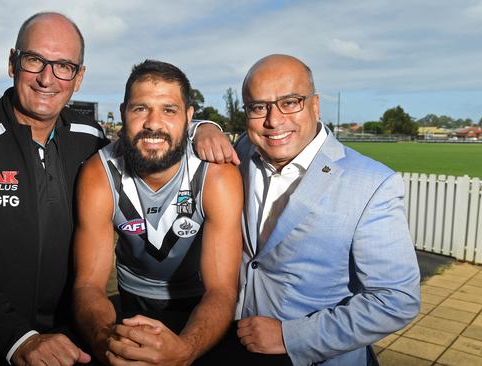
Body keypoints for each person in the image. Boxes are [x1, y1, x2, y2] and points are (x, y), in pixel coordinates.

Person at [199, 54, 421, 365]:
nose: (273, 120)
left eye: (290, 102)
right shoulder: (243, 152)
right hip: (234, 343)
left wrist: (292, 336)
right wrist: (203, 126)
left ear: (315, 105)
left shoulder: (373, 184)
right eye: (258, 107)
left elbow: (395, 300)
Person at [0, 12, 108, 365]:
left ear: (79, 77)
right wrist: (18, 339)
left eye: (64, 66)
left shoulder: (94, 139)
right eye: (34, 60)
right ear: (13, 62)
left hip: (73, 340)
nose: (47, 79)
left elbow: (154, 144)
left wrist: (200, 127)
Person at [73, 60, 243, 365]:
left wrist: (186, 350)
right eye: (140, 109)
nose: (153, 123)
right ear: (124, 111)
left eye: (169, 110)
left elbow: (221, 290)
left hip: (200, 302)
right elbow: (88, 284)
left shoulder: (217, 174)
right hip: (130, 300)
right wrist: (108, 344)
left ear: (189, 117)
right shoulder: (99, 173)